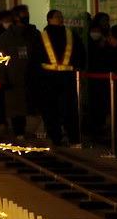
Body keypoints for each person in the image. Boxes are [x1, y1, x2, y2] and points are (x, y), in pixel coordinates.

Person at [36, 9, 85, 146]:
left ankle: (72, 137)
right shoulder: (42, 36)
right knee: (51, 109)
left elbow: (80, 53)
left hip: (66, 78)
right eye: (57, 17)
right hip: (49, 79)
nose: (60, 19)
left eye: (61, 16)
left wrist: (79, 66)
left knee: (69, 109)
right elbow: (36, 58)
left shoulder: (71, 35)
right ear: (49, 19)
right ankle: (56, 136)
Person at [0, 11, 37, 141]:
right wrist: (3, 79)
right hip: (14, 79)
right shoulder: (6, 37)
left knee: (31, 107)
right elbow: (1, 60)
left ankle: (28, 132)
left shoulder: (34, 35)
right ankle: (19, 132)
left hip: (31, 77)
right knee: (16, 108)